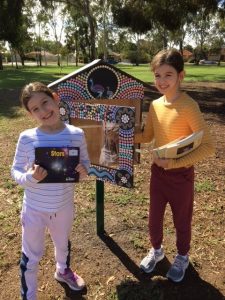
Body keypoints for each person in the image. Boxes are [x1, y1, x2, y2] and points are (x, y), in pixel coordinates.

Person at [135, 49, 215, 283]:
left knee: (182, 219)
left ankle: (182, 256)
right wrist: (124, 134)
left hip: (181, 176)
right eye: (157, 75)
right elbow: (148, 135)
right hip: (157, 175)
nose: (161, 81)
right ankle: (157, 252)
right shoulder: (155, 105)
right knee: (154, 218)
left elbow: (208, 146)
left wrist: (175, 162)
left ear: (181, 76)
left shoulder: (189, 106)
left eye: (168, 75)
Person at [11, 82, 90, 300]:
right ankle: (29, 296)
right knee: (31, 256)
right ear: (30, 113)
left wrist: (83, 171)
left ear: (55, 98)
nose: (43, 111)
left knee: (62, 244)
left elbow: (85, 164)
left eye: (45, 102)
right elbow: (15, 171)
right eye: (35, 109)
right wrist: (30, 177)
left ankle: (62, 270)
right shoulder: (27, 138)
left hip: (63, 207)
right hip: (34, 209)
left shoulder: (76, 134)